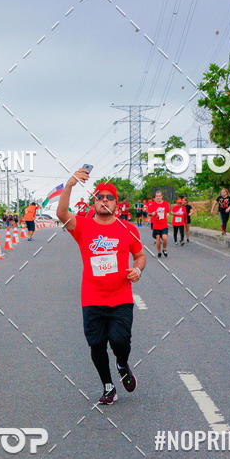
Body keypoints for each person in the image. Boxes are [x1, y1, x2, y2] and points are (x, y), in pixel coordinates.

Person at [56, 171, 146, 404]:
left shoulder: (127, 228)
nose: (104, 200)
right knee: (96, 344)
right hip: (92, 298)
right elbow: (61, 213)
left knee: (119, 341)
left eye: (109, 197)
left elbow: (140, 255)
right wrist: (69, 186)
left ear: (116, 203)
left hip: (121, 297)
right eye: (99, 197)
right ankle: (108, 386)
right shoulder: (83, 227)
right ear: (93, 202)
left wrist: (137, 269)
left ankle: (122, 363)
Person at [150, 190, 171, 257]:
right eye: (157, 196)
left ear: (162, 196)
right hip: (156, 224)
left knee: (164, 237)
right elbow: (149, 213)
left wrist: (167, 214)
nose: (158, 197)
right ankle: (159, 252)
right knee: (158, 238)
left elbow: (168, 211)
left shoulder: (165, 203)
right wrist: (152, 213)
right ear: (155, 197)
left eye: (159, 196)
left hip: (164, 224)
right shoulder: (153, 204)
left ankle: (164, 249)